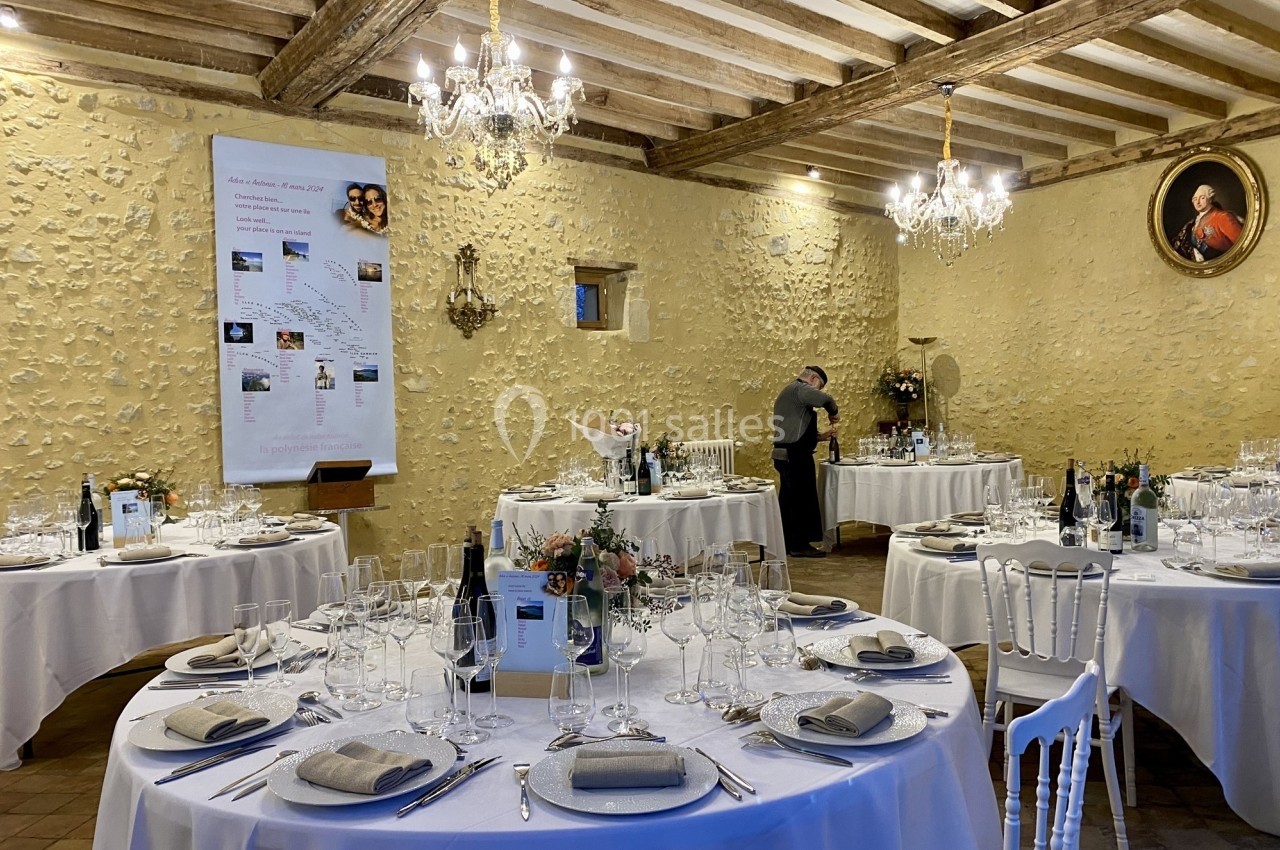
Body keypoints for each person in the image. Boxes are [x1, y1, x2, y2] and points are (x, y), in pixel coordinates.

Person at [772, 366, 839, 558]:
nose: (818, 390)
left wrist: (822, 436)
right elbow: (826, 399)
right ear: (814, 378)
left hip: (787, 452)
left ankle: (788, 543)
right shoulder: (800, 389)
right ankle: (799, 545)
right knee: (801, 499)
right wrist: (833, 412)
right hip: (795, 455)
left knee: (790, 500)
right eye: (820, 385)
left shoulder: (790, 393)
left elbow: (794, 428)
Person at [1172, 183, 1243, 262]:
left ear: (1210, 199)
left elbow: (1242, 245)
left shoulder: (1223, 217)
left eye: (1202, 198)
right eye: (1195, 199)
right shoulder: (1192, 223)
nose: (1198, 202)